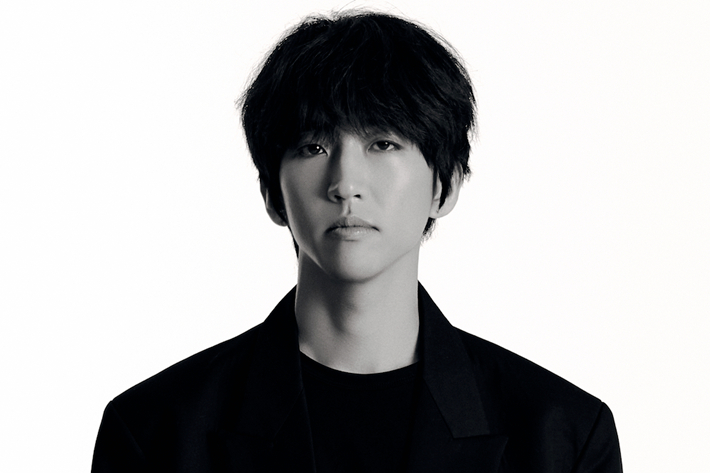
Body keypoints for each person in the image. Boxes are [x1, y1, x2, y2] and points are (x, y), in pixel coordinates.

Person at [92, 11, 622, 472]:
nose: (345, 183)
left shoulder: (563, 435)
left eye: (382, 142)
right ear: (272, 194)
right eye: (313, 146)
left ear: (444, 187)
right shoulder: (154, 432)